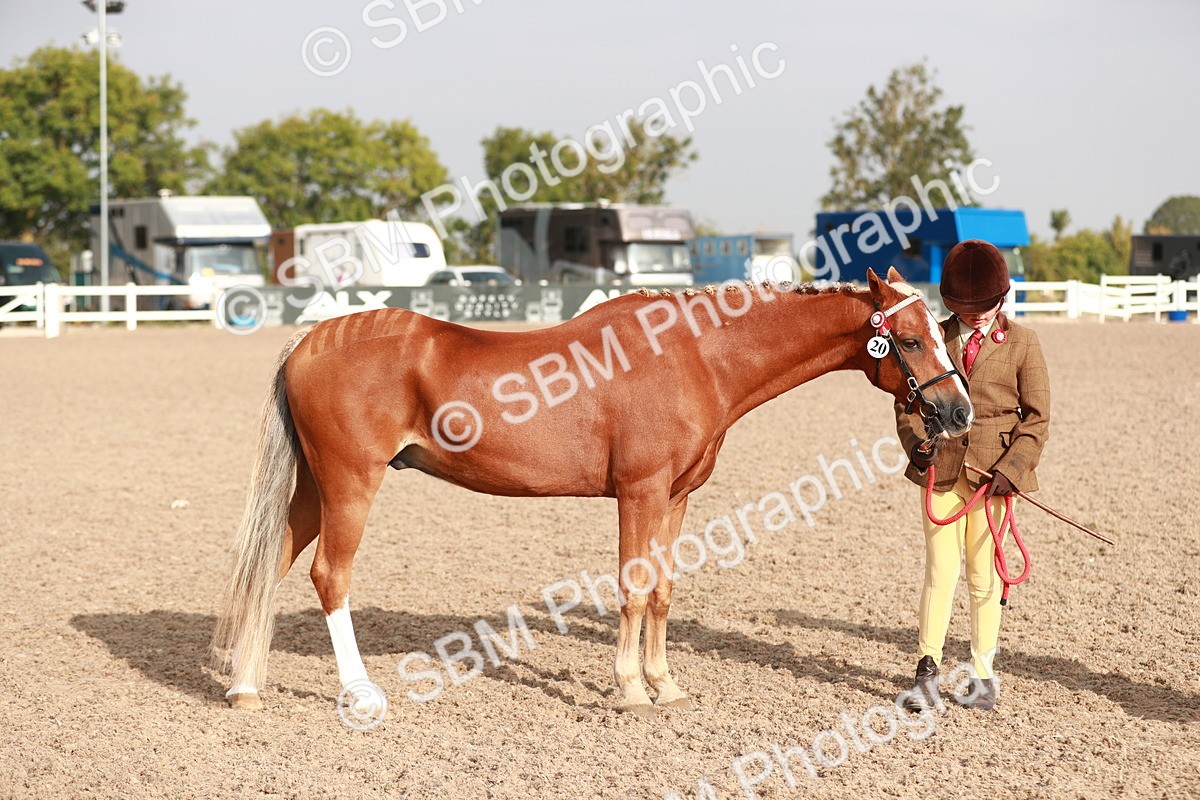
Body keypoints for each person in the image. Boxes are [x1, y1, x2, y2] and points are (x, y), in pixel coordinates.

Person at [895, 239, 1050, 712]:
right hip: (941, 472)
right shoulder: (935, 337)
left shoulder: (1023, 343)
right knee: (940, 571)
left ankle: (983, 676)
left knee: (984, 578)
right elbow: (906, 405)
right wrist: (918, 449)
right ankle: (927, 670)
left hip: (993, 480)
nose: (978, 316)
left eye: (986, 307)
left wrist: (1012, 471)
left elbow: (1037, 418)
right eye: (967, 308)